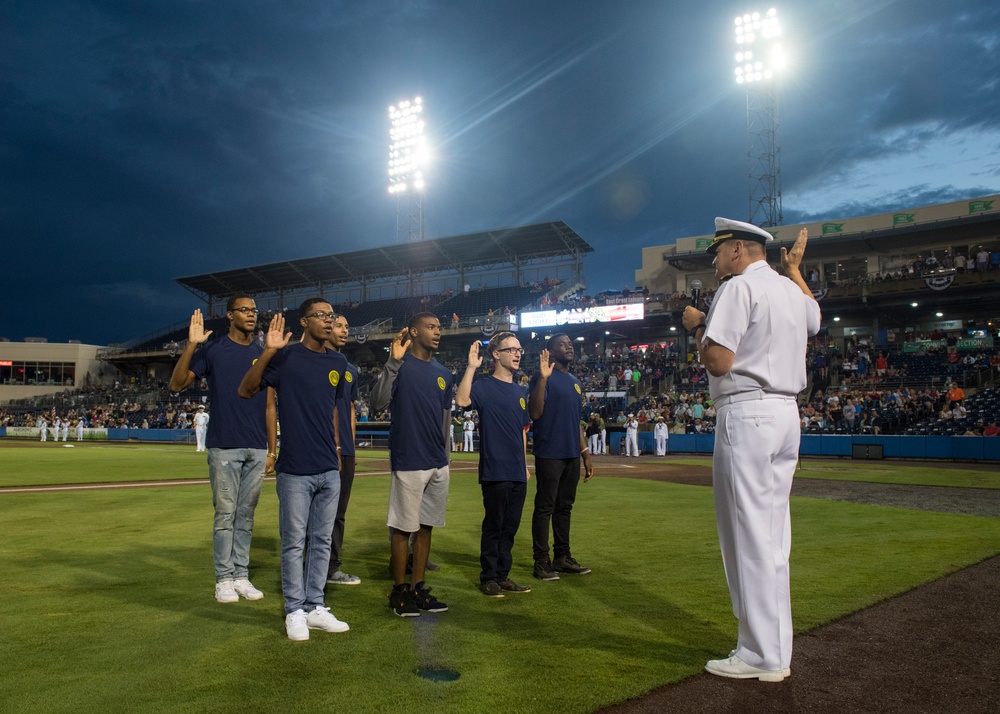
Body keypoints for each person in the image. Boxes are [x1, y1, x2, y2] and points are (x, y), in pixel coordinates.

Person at [683, 219, 820, 682]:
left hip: (747, 412)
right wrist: (796, 270)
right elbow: (815, 318)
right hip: (786, 416)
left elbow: (719, 360)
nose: (715, 260)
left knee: (748, 536)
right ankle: (774, 652)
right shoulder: (787, 288)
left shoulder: (739, 288)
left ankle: (758, 654)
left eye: (719, 251)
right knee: (773, 536)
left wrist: (698, 329)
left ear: (739, 249)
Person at [237, 299, 350, 641]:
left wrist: (338, 449)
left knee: (321, 542)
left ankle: (316, 606)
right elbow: (246, 390)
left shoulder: (339, 361)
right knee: (293, 544)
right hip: (295, 469)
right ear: (304, 322)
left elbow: (333, 409)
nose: (329, 321)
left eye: (332, 316)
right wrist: (269, 352)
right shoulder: (285, 357)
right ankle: (294, 610)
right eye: (322, 316)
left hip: (328, 467)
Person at [168, 298, 276, 605]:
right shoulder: (213, 350)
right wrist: (191, 345)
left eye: (254, 310)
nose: (251, 315)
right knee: (226, 515)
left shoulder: (262, 352)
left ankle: (241, 575)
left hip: (256, 447)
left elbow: (270, 405)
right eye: (244, 310)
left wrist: (272, 450)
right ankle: (224, 579)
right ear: (230, 315)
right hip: (224, 444)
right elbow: (176, 385)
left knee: (246, 515)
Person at [371, 313, 453, 617]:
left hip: (437, 463)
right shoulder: (400, 366)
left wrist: (446, 457)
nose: (437, 333)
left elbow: (444, 420)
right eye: (431, 327)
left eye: (439, 328)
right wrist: (392, 362)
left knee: (426, 527)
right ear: (414, 331)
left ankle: (419, 587)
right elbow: (378, 403)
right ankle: (400, 590)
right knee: (403, 528)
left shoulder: (444, 372)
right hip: (409, 460)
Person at [455, 332, 533, 597]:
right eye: (511, 349)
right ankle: (488, 576)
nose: (517, 353)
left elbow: (523, 430)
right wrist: (471, 368)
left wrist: (524, 465)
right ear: (496, 354)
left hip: (517, 471)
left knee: (510, 527)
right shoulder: (484, 387)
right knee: (494, 526)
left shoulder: (520, 390)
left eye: (519, 349)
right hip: (495, 470)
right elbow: (462, 401)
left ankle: (503, 575)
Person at [528, 333, 595, 581]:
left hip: (571, 455)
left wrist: (585, 452)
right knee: (545, 507)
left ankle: (562, 557)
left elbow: (575, 422)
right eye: (562, 344)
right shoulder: (542, 377)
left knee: (564, 507)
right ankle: (541, 561)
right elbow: (535, 412)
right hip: (550, 453)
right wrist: (543, 380)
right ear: (551, 352)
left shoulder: (575, 381)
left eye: (570, 343)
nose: (569, 346)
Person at [325, 313, 362, 587]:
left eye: (346, 326)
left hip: (345, 449)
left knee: (339, 512)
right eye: (339, 325)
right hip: (320, 445)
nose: (344, 330)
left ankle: (332, 567)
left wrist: (350, 446)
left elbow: (349, 407)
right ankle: (311, 564)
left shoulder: (351, 368)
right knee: (314, 513)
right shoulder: (312, 361)